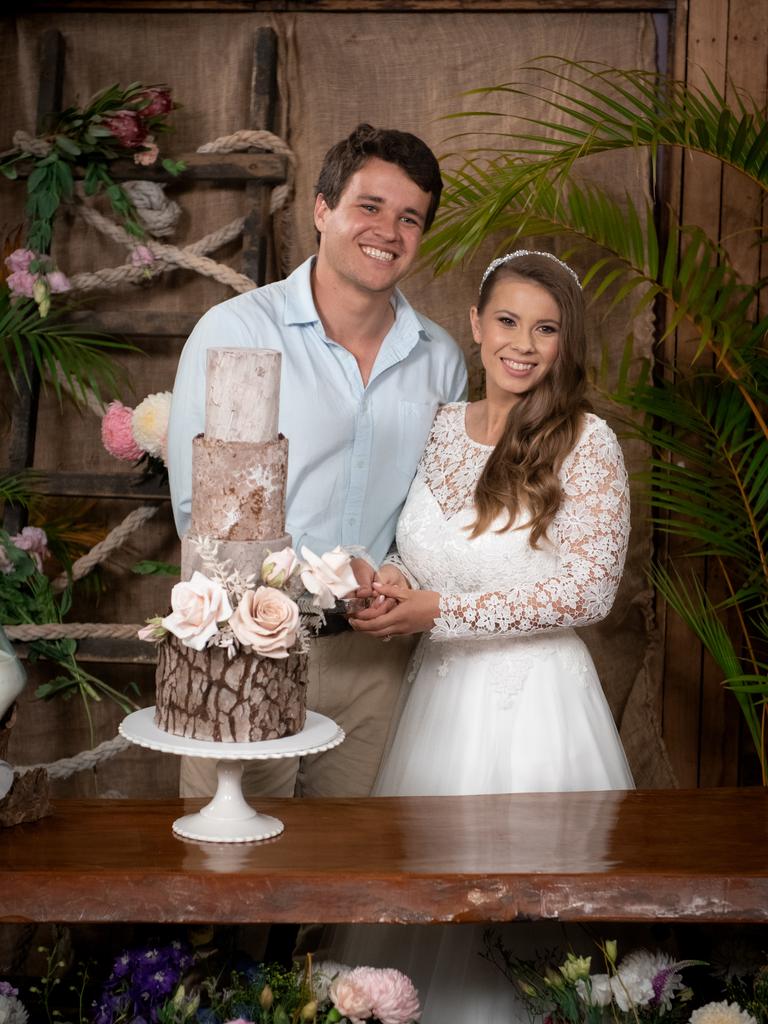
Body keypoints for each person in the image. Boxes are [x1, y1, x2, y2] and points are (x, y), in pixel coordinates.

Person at [324, 250, 635, 1020]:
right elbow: (421, 548)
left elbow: (589, 590)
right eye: (507, 320)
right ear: (475, 323)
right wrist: (392, 579)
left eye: (546, 328)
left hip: (537, 706)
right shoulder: (436, 429)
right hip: (436, 702)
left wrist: (440, 614)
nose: (523, 344)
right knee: (425, 897)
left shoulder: (586, 442)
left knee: (531, 913)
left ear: (567, 340)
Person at [166, 123, 467, 800]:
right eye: (370, 206)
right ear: (323, 209)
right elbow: (199, 512)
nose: (388, 231)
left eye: (409, 217)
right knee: (232, 867)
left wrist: (399, 574)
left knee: (351, 872)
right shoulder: (236, 332)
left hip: (374, 663)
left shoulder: (442, 360)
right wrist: (305, 586)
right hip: (246, 645)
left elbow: (439, 510)